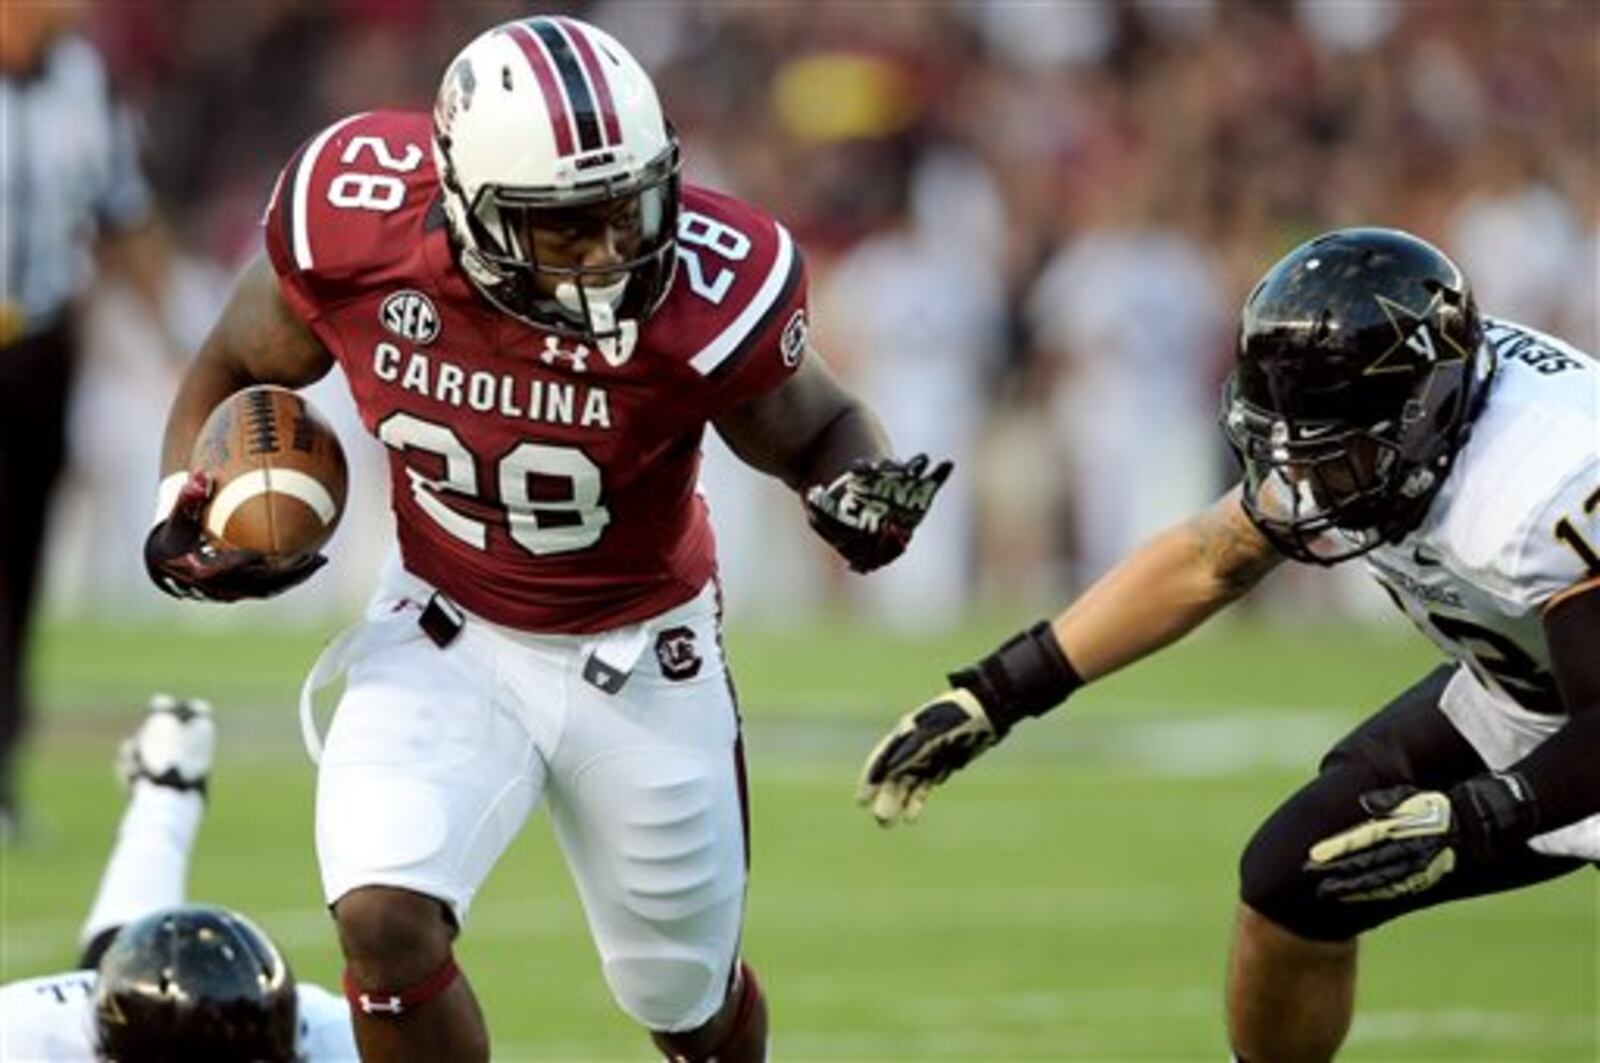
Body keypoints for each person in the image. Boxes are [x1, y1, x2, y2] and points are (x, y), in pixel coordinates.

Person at [143, 15, 949, 1063]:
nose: (614, 248)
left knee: (686, 1001)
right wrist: (185, 502)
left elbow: (819, 426)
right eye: (568, 225)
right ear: (472, 208)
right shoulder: (357, 226)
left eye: (630, 207)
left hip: (643, 652)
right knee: (382, 915)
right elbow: (233, 358)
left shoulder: (708, 286)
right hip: (443, 626)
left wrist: (855, 495)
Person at [858, 228, 1599, 1061]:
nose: (1307, 477)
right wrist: (997, 693)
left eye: (1334, 446)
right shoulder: (1400, 415)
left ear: (1426, 414)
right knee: (1291, 879)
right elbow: (1213, 557)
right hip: (1532, 694)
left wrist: (1483, 813)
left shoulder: (1547, 485)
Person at [0, 0, 178, 838]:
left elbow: (124, 214)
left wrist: (178, 336)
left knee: (19, 567)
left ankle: (1, 777)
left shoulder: (85, 80)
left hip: (38, 348)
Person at [0, 694, 357, 1059]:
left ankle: (167, 787)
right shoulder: (22, 1036)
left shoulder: (339, 1039)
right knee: (126, 968)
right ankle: (167, 790)